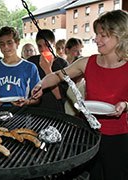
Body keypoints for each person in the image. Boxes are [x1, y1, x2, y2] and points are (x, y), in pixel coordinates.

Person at [32, 10, 128, 180]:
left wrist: (125, 105)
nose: (96, 39)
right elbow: (57, 75)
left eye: (103, 35)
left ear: (119, 36)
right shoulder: (87, 62)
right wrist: (41, 84)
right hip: (90, 133)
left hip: (119, 137)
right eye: (96, 34)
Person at [0, 26, 40, 107]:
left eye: (9, 43)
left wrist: (27, 102)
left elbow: (37, 98)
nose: (6, 47)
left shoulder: (30, 67)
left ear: (17, 43)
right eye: (2, 44)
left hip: (21, 115)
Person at [28, 29, 68, 112]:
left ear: (53, 44)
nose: (43, 49)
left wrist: (47, 70)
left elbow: (59, 95)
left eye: (47, 45)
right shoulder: (31, 62)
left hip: (55, 111)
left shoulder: (62, 64)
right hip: (35, 111)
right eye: (39, 46)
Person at [64, 37, 85, 116]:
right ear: (67, 50)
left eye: (80, 51)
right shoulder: (61, 67)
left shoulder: (82, 70)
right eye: (76, 51)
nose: (79, 54)